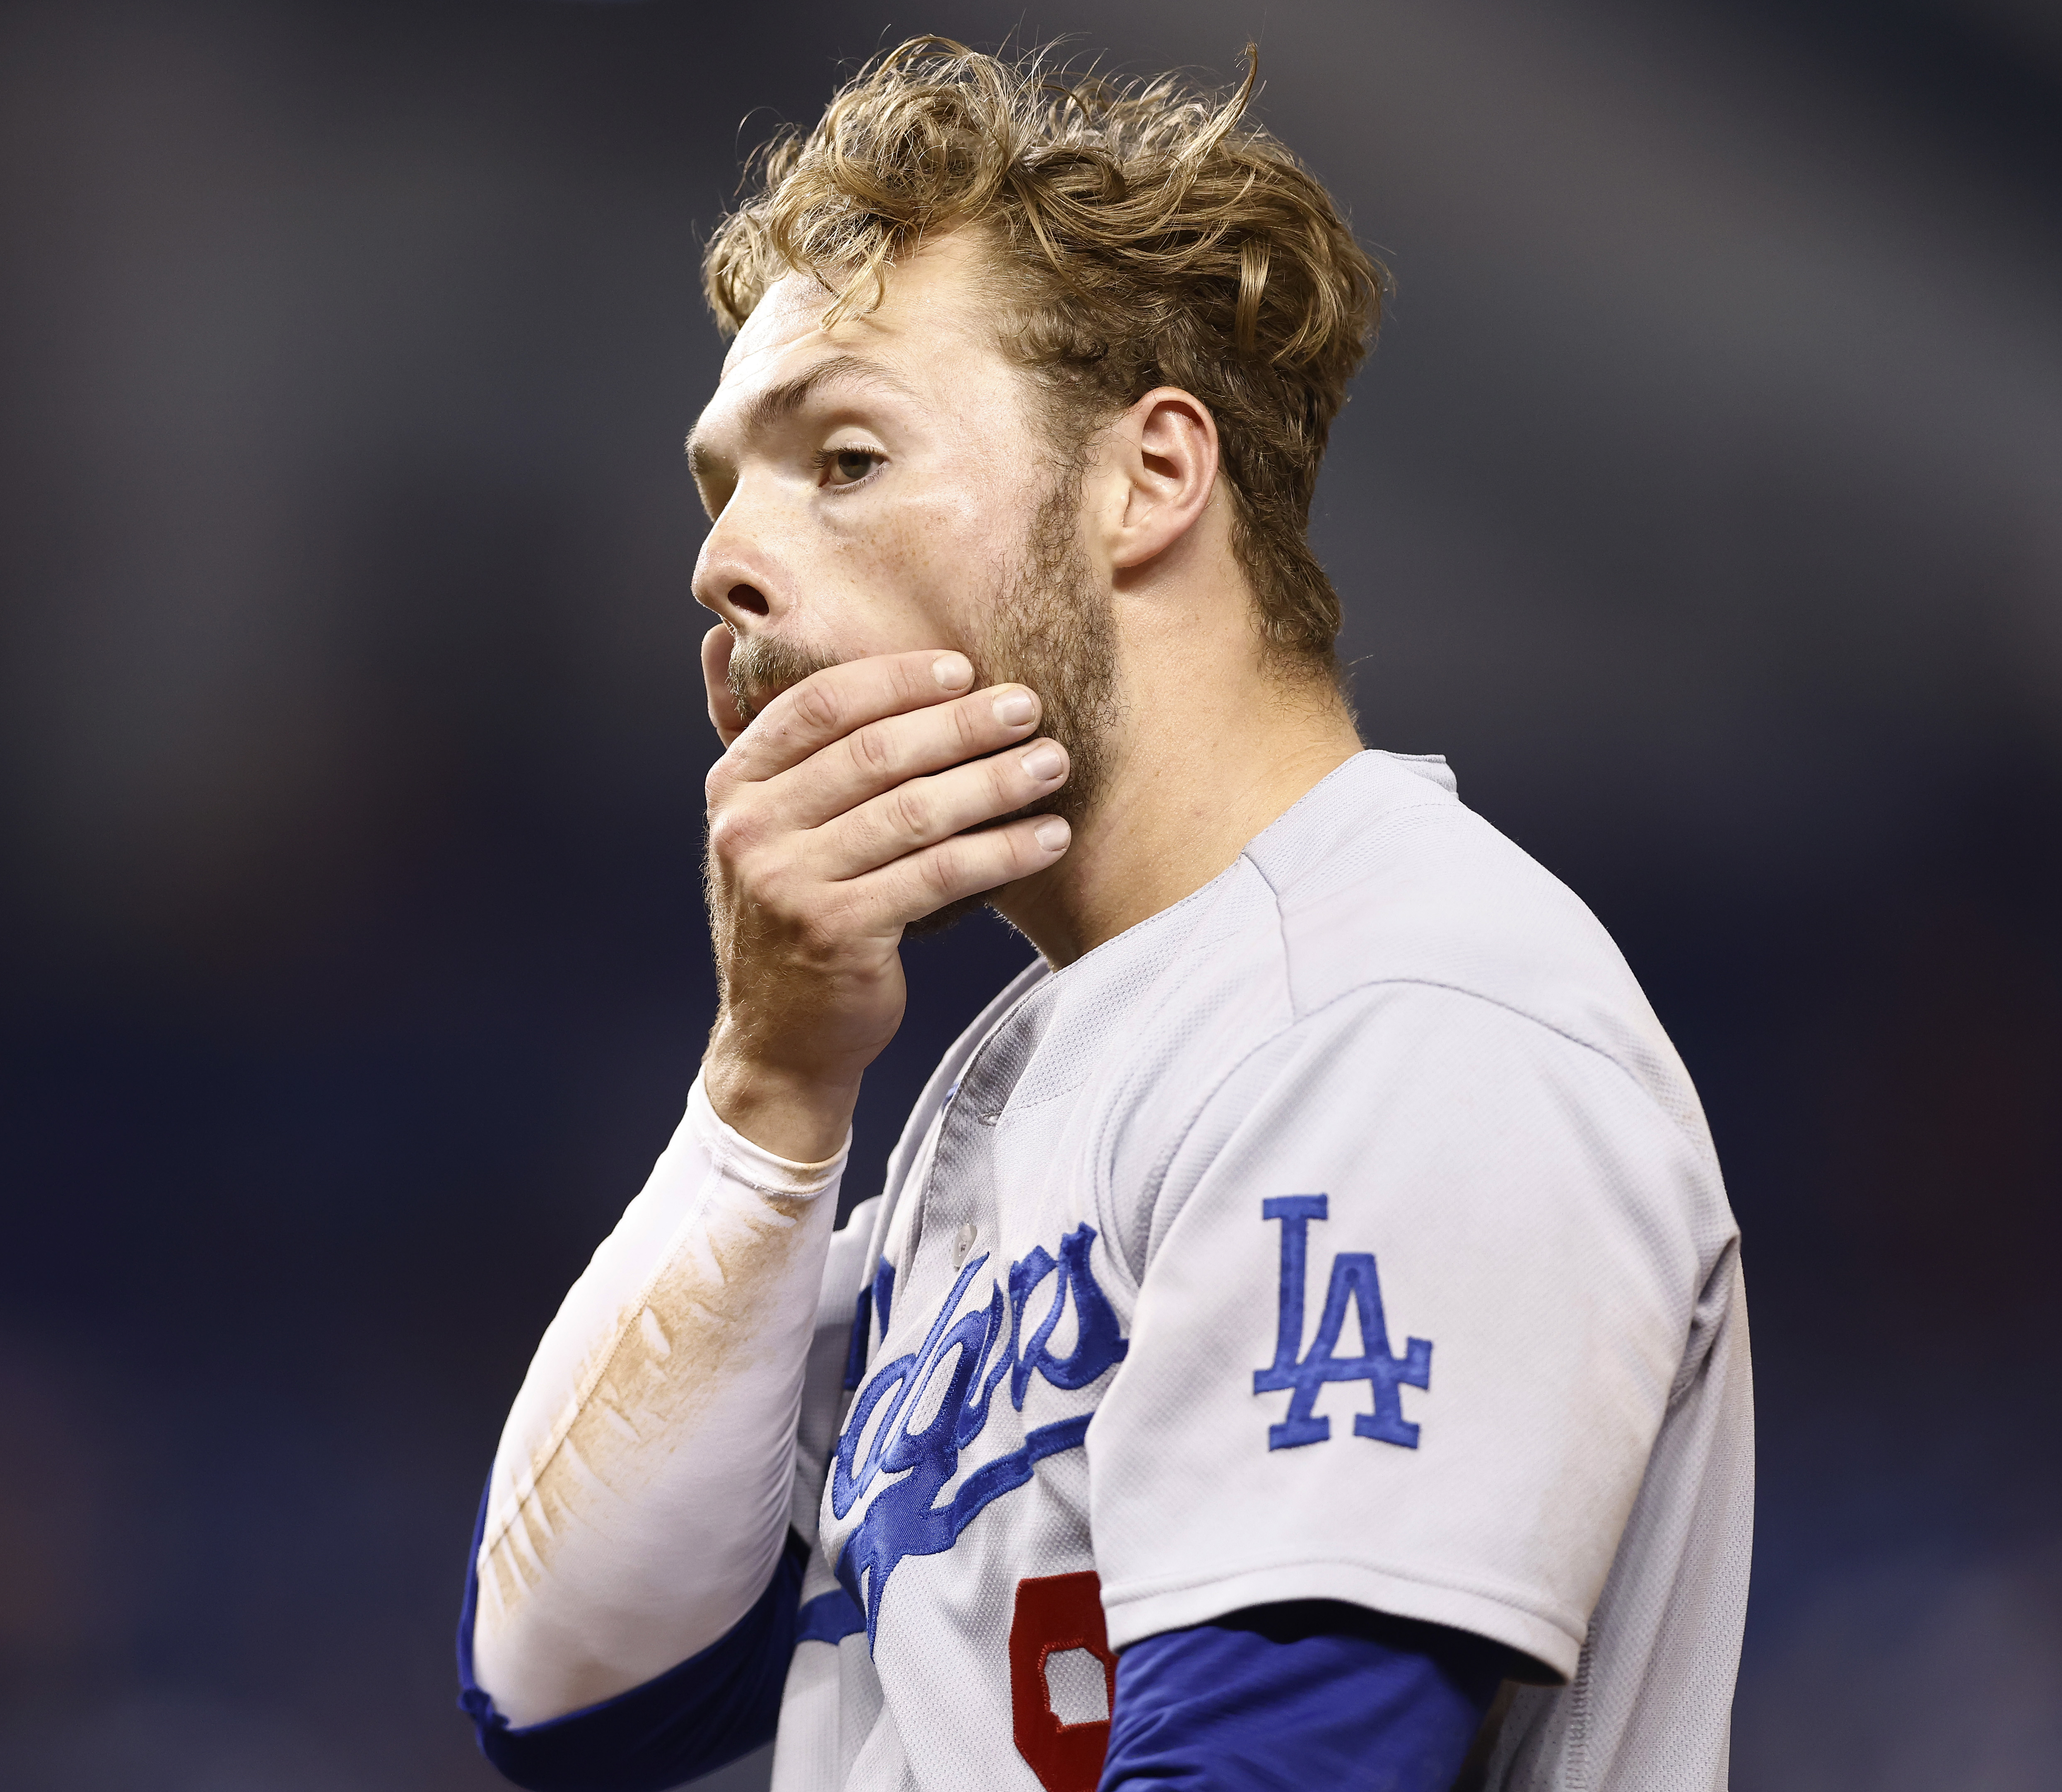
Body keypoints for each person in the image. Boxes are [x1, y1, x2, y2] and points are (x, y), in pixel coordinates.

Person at [456, 37, 1749, 1792]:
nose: (724, 560)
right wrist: (771, 1084)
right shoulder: (1036, 1073)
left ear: (1150, 478)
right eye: (722, 491)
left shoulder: (1396, 1011)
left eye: (840, 456)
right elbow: (569, 1689)